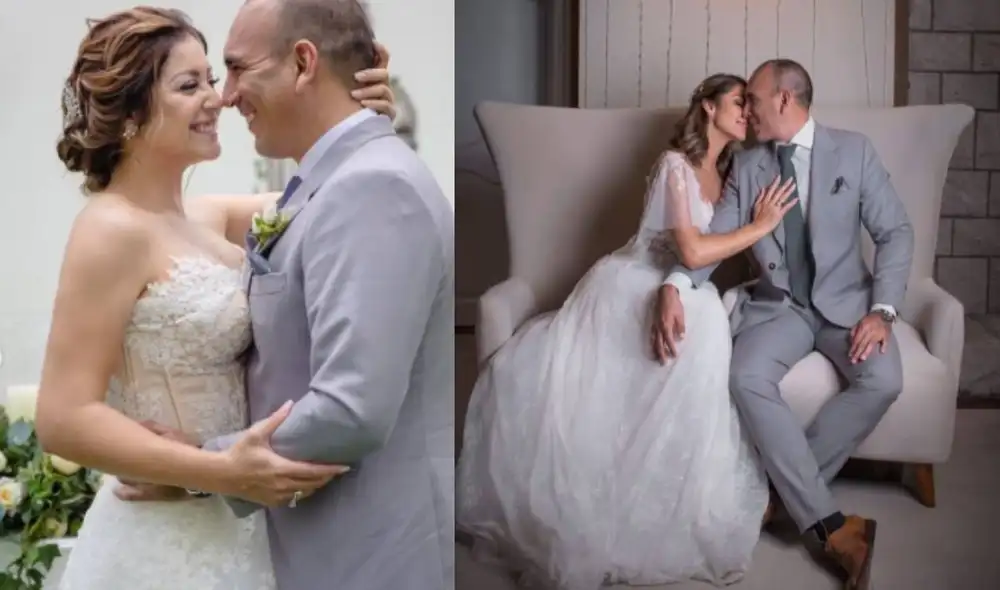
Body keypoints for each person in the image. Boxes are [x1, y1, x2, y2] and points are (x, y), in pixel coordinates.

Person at [31, 4, 436, 590]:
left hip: (246, 528)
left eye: (214, 80)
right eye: (190, 84)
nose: (218, 100)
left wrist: (356, 114)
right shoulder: (108, 230)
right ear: (131, 111)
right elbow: (62, 418)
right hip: (162, 534)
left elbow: (349, 202)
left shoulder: (208, 216)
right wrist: (215, 470)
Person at [457, 73, 799, 589]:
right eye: (736, 103)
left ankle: (678, 491)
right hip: (636, 281)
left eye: (750, 108)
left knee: (708, 321)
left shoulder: (730, 171)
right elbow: (689, 251)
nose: (746, 114)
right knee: (696, 321)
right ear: (707, 106)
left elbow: (717, 257)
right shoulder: (675, 166)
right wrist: (759, 226)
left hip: (685, 286)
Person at [655, 59, 913, 590]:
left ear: (784, 100)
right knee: (744, 376)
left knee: (885, 380)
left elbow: (897, 232)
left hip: (848, 305)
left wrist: (882, 310)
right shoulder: (747, 166)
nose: (746, 109)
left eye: (752, 99)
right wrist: (674, 285)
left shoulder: (854, 150)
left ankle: (776, 499)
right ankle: (830, 525)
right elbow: (714, 241)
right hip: (781, 307)